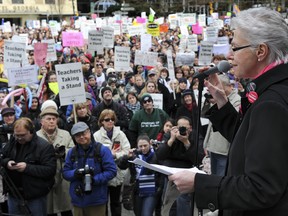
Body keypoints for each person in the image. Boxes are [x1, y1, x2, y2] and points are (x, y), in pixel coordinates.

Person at [168, 8, 288, 216]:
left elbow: (262, 188)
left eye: (235, 48)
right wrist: (223, 104)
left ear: (261, 51)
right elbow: (250, 143)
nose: (229, 56)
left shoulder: (271, 105)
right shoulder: (272, 91)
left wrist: (200, 183)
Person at [2, 117, 56, 216]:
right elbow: (2, 157)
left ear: (31, 132)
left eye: (22, 135)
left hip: (35, 196)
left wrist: (27, 168)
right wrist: (7, 162)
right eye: (16, 135)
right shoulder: (13, 142)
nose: (19, 138)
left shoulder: (44, 147)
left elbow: (50, 170)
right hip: (14, 194)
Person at [62, 122, 117, 216]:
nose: (82, 137)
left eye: (84, 133)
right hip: (78, 199)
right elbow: (65, 172)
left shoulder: (102, 150)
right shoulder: (72, 152)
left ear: (89, 132)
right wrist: (75, 173)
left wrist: (94, 179)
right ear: (74, 138)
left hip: (96, 199)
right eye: (78, 135)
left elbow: (111, 171)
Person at [156, 116, 204, 216]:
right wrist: (171, 139)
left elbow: (199, 158)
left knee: (183, 199)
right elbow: (160, 155)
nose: (181, 130)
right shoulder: (170, 134)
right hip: (170, 170)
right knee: (168, 201)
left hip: (187, 169)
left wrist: (186, 142)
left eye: (184, 128)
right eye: (179, 127)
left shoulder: (195, 135)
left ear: (190, 128)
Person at [36, 108, 74, 216]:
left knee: (66, 209)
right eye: (48, 119)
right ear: (42, 122)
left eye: (54, 119)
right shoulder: (36, 136)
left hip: (63, 177)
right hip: (45, 178)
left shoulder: (65, 134)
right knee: (49, 210)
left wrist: (63, 152)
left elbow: (73, 151)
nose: (52, 121)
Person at [93, 109, 130, 216]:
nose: (110, 121)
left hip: (117, 173)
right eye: (107, 119)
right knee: (102, 203)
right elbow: (95, 153)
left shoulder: (121, 134)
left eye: (112, 119)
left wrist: (115, 155)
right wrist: (109, 154)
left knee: (116, 202)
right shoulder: (96, 136)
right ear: (101, 122)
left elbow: (127, 150)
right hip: (103, 173)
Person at [203, 74, 241, 176]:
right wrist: (206, 144)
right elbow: (208, 121)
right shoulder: (216, 99)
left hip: (224, 149)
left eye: (219, 86)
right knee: (214, 177)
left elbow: (232, 122)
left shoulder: (237, 100)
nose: (216, 89)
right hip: (213, 147)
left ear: (229, 86)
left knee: (221, 179)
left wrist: (220, 101)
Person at [116, 134, 159, 216]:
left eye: (145, 145)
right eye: (140, 146)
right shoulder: (134, 155)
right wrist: (127, 157)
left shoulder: (155, 154)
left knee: (146, 214)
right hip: (137, 189)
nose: (143, 148)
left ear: (150, 144)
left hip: (151, 190)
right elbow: (121, 166)